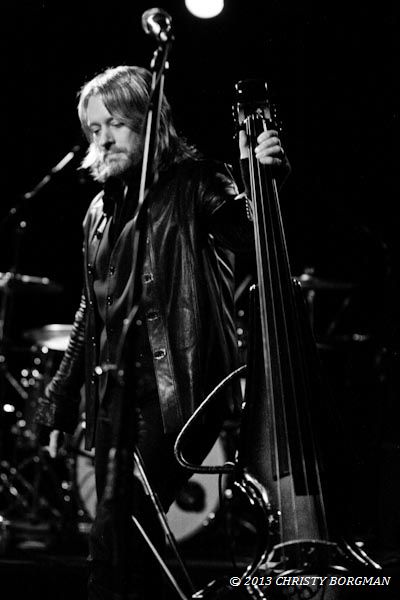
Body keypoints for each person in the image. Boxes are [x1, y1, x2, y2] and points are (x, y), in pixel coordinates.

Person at [35, 65, 286, 600]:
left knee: (118, 528)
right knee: (122, 539)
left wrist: (264, 182)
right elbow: (91, 309)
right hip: (117, 397)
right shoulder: (98, 211)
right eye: (94, 128)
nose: (103, 139)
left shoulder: (197, 182)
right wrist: (60, 397)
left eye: (116, 124)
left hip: (183, 391)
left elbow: (249, 235)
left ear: (150, 124)